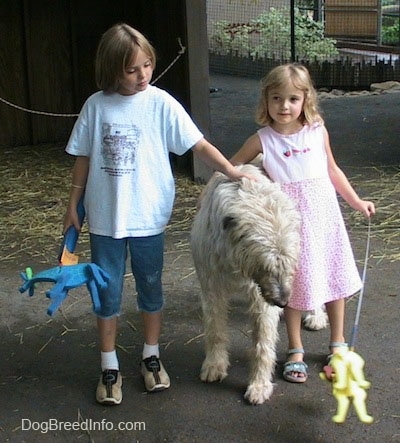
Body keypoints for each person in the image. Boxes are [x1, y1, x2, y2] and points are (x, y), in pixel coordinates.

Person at [63, 23, 253, 405]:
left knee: (151, 286)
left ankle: (151, 356)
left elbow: (196, 142)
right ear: (112, 68)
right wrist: (74, 203)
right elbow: (84, 156)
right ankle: (109, 365)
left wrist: (230, 170)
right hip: (105, 220)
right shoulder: (95, 106)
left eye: (147, 65)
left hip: (148, 216)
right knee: (107, 291)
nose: (142, 75)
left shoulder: (161, 103)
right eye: (131, 70)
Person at [230, 63, 375, 383]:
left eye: (293, 99)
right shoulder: (262, 139)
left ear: (305, 100)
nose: (284, 106)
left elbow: (333, 170)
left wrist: (356, 201)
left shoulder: (317, 129)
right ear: (265, 101)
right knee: (292, 285)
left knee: (333, 276)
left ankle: (338, 342)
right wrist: (239, 191)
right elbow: (233, 167)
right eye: (277, 98)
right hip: (290, 225)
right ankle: (295, 348)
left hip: (324, 218)